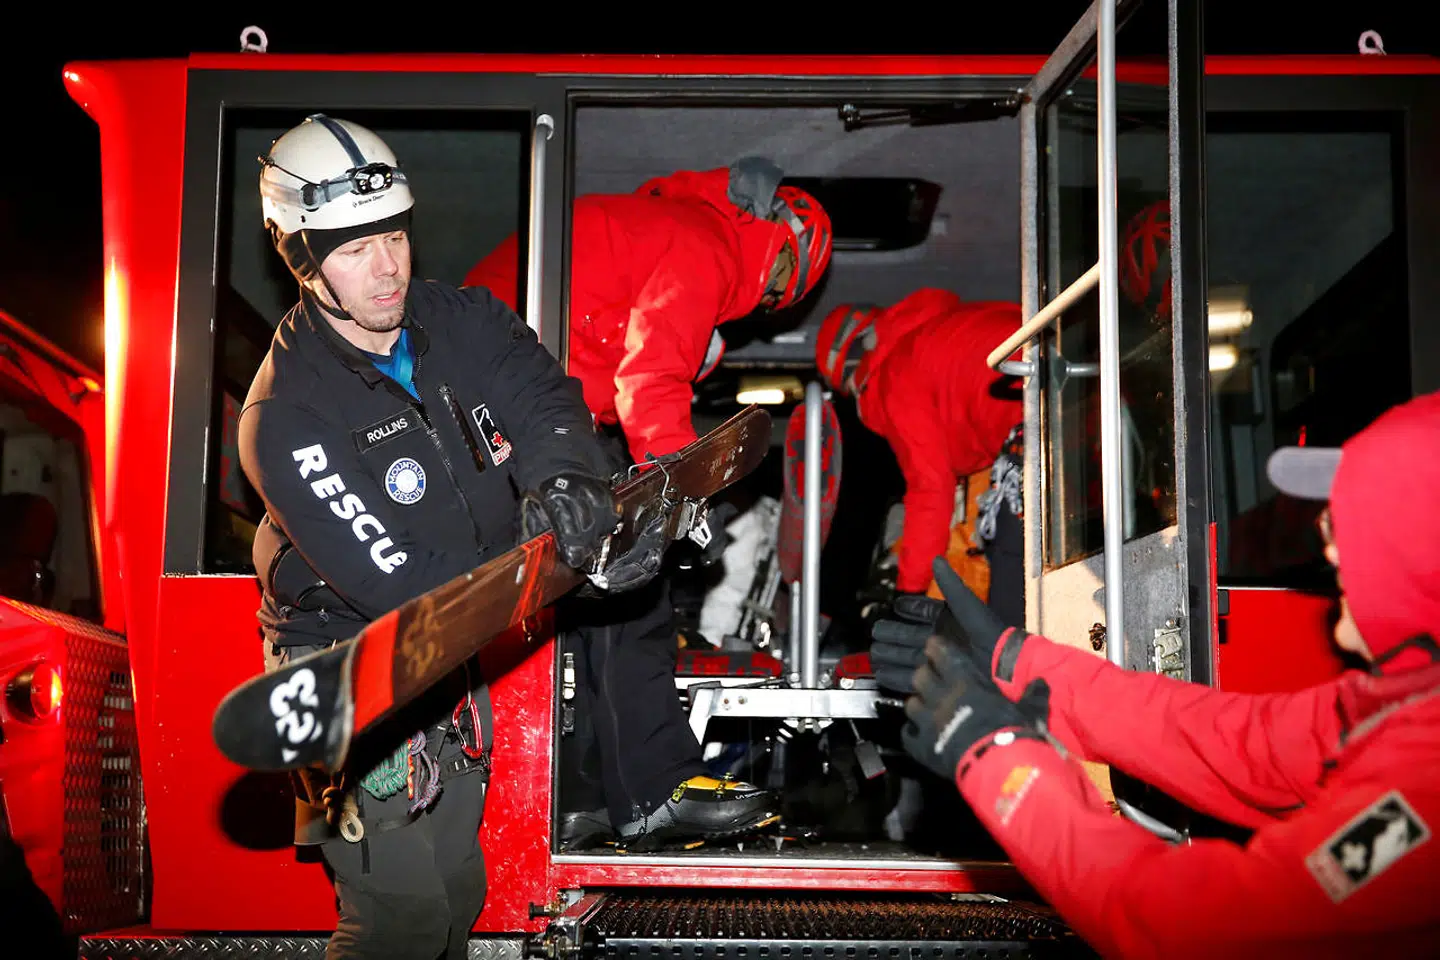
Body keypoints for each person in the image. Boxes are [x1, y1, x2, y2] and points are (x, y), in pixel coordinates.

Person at [240, 113, 632, 960]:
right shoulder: (284, 416)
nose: (386, 267)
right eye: (352, 248)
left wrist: (564, 478)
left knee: (458, 895)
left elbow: (539, 393)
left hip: (453, 644)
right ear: (302, 260)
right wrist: (550, 565)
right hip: (351, 665)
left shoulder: (458, 319)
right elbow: (392, 577)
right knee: (401, 921)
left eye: (393, 234)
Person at [870, 390, 1440, 958]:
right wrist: (1014, 661)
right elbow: (1235, 741)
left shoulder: (1424, 780)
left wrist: (1001, 765)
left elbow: (1204, 930)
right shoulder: (1395, 705)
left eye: (1351, 524)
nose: (1332, 550)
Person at [463, 157, 833, 850]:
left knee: (581, 607)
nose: (776, 300)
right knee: (637, 591)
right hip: (523, 399)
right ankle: (659, 788)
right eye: (788, 282)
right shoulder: (711, 242)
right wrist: (684, 492)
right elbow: (651, 377)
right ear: (785, 241)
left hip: (492, 396)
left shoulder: (664, 226)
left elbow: (606, 359)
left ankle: (583, 798)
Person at [813, 289, 1024, 624]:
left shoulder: (895, 375)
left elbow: (931, 489)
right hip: (1077, 398)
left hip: (1037, 429)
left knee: (1011, 600)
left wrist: (908, 594)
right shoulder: (945, 329)